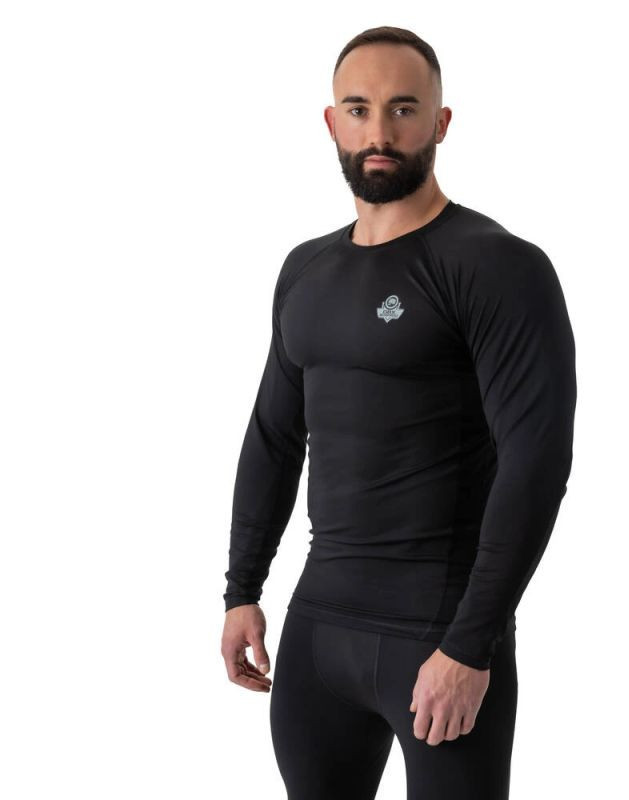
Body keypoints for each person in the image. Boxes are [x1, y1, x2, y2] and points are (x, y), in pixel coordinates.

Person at [220, 25, 577, 800]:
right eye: (359, 109)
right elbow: (274, 436)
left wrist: (471, 644)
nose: (379, 131)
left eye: (403, 109)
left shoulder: (496, 265)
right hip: (318, 634)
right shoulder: (305, 269)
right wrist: (242, 588)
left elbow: (536, 462)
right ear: (332, 122)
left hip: (439, 634)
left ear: (440, 122)